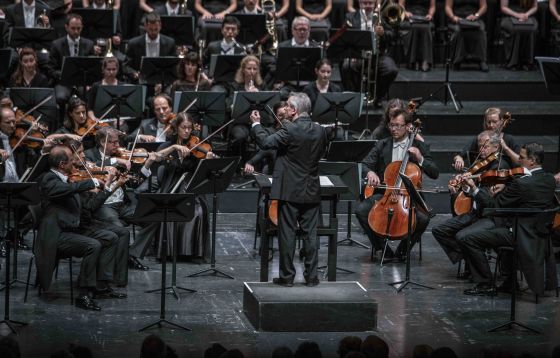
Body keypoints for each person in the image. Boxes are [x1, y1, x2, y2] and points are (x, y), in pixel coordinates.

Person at [250, 92, 328, 287]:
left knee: (287, 235)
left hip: (289, 191)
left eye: (287, 107)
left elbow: (266, 143)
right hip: (311, 189)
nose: (284, 109)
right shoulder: (320, 130)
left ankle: (287, 277)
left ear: (294, 110)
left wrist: (256, 125)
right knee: (310, 236)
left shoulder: (290, 129)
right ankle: (311, 277)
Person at [461, 142, 557, 296]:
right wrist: (506, 186)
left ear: (532, 160)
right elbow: (527, 195)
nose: (518, 159)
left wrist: (474, 188)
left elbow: (494, 206)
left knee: (468, 238)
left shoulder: (521, 183)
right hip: (540, 233)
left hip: (521, 234)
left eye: (522, 157)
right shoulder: (549, 180)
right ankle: (509, 282)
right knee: (496, 233)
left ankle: (485, 283)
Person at [36, 145, 122, 311]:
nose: (75, 164)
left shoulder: (68, 179)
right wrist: (91, 182)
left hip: (72, 229)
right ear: (62, 164)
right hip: (56, 235)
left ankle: (100, 285)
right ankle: (83, 295)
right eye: (71, 161)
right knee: (93, 245)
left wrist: (103, 187)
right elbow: (62, 190)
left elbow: (85, 205)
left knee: (110, 238)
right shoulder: (49, 179)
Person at [355, 108, 439, 261]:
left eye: (398, 125)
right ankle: (382, 249)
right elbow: (365, 164)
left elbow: (435, 173)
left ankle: (403, 251)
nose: (393, 129)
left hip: (409, 197)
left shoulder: (420, 147)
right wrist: (370, 173)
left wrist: (420, 159)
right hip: (385, 194)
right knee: (361, 210)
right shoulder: (382, 144)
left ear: (408, 126)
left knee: (423, 219)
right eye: (391, 125)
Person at [432, 132, 509, 278]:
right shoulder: (481, 164)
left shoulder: (500, 167)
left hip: (489, 216)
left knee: (463, 236)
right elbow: (472, 193)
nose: (481, 150)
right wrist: (461, 188)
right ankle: (469, 256)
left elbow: (488, 202)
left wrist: (473, 187)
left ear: (496, 146)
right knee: (438, 230)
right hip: (474, 213)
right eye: (480, 146)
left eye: (485, 146)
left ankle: (484, 278)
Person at [154, 112, 212, 258]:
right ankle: (170, 251)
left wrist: (207, 161)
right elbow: (156, 157)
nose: (187, 131)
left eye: (189, 128)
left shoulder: (197, 145)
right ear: (176, 128)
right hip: (171, 185)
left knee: (199, 211)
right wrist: (174, 147)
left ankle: (190, 251)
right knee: (169, 209)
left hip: (191, 187)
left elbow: (202, 173)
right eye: (183, 128)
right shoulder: (168, 145)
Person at [343, 0, 399, 107]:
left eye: (370, 3)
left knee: (391, 69)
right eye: (365, 3)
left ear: (374, 4)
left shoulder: (381, 18)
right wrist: (352, 53)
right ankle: (354, 97)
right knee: (347, 66)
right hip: (358, 55)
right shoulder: (350, 17)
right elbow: (345, 35)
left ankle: (378, 96)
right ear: (359, 4)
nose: (368, 6)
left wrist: (383, 33)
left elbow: (392, 36)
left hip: (378, 55)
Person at [46, 13, 99, 107]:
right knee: (60, 97)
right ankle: (61, 121)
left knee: (91, 95)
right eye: (73, 28)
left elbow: (93, 68)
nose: (76, 31)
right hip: (63, 82)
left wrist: (89, 82)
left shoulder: (89, 44)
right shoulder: (56, 44)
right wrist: (64, 75)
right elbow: (51, 69)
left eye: (79, 28)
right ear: (66, 27)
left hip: (82, 82)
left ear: (82, 27)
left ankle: (88, 120)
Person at [452, 107, 519, 171]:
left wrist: (506, 148)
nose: (491, 125)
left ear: (501, 121)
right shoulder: (480, 138)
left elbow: (520, 162)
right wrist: (458, 159)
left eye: (494, 122)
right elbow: (459, 155)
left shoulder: (509, 139)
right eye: (488, 122)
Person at [227, 55, 266, 161]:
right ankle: (238, 165)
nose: (252, 71)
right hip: (240, 122)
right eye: (249, 68)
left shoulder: (261, 86)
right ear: (243, 70)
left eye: (255, 69)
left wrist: (259, 96)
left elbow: (268, 107)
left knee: (269, 136)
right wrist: (246, 96)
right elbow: (229, 106)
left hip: (258, 122)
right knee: (239, 137)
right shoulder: (235, 86)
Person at [123, 13, 176, 83]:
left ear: (160, 26)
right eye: (151, 29)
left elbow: (174, 66)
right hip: (140, 82)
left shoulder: (170, 43)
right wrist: (134, 73)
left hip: (162, 83)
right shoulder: (133, 43)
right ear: (145, 26)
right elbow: (125, 66)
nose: (153, 32)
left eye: (156, 29)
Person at [445, 0, 489, 72]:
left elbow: (484, 6)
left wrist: (476, 15)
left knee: (481, 30)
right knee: (459, 31)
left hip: (474, 19)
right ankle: (457, 60)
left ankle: (482, 60)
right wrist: (453, 17)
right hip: (457, 18)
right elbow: (447, 7)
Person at [500, 0, 538, 70]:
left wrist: (526, 14)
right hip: (509, 15)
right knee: (516, 29)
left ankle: (528, 62)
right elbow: (503, 7)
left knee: (532, 29)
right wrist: (517, 15)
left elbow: (535, 7)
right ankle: (513, 62)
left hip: (527, 15)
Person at [400, 0, 436, 72]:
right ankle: (412, 61)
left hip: (424, 17)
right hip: (409, 17)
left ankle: (425, 60)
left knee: (426, 27)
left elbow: (432, 6)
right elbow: (400, 5)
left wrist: (430, 14)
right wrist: (405, 12)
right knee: (415, 27)